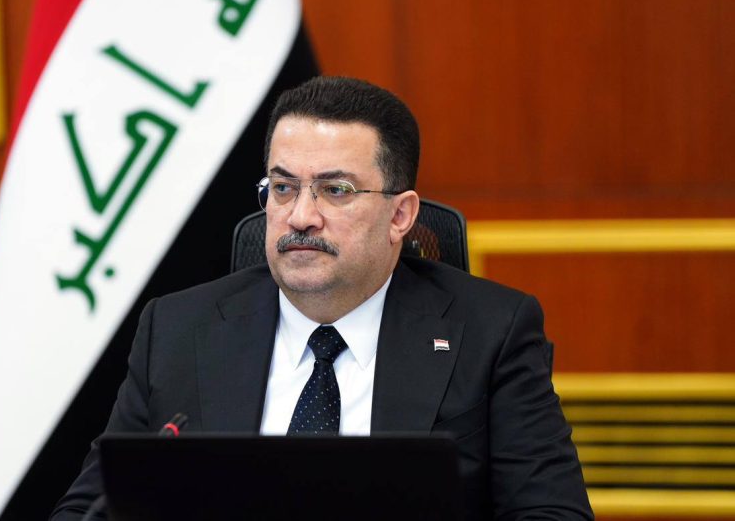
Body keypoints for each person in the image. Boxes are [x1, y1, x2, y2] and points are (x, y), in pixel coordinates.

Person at [51, 76, 593, 519]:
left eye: (336, 191)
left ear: (400, 216)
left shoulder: (491, 332)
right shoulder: (177, 329)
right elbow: (88, 509)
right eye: (283, 188)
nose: (301, 216)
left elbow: (552, 513)